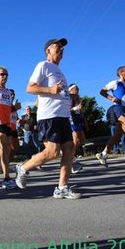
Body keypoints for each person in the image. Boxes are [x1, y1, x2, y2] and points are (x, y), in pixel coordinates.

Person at [15, 38, 81, 199]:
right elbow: (30, 88)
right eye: (57, 47)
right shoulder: (43, 65)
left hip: (63, 116)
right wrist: (51, 89)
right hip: (49, 116)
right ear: (48, 51)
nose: (61, 50)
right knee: (52, 152)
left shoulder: (60, 72)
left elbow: (60, 92)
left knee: (69, 149)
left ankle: (61, 188)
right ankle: (23, 168)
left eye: (62, 48)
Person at [68, 84, 86, 174]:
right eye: (76, 88)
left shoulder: (78, 98)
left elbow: (80, 110)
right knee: (75, 140)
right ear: (71, 90)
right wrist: (75, 108)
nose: (78, 89)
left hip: (77, 119)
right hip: (71, 119)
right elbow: (67, 109)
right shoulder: (69, 98)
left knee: (82, 140)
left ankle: (68, 154)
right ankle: (70, 160)